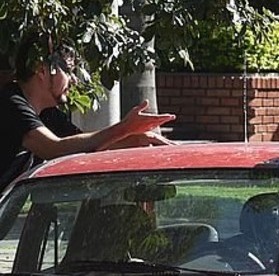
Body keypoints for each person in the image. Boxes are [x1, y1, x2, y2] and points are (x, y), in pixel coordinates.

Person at [1, 36, 174, 190]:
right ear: (42, 70)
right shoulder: (10, 103)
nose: (74, 80)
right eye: (68, 70)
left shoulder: (48, 113)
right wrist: (125, 128)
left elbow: (84, 146)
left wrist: (137, 140)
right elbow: (53, 149)